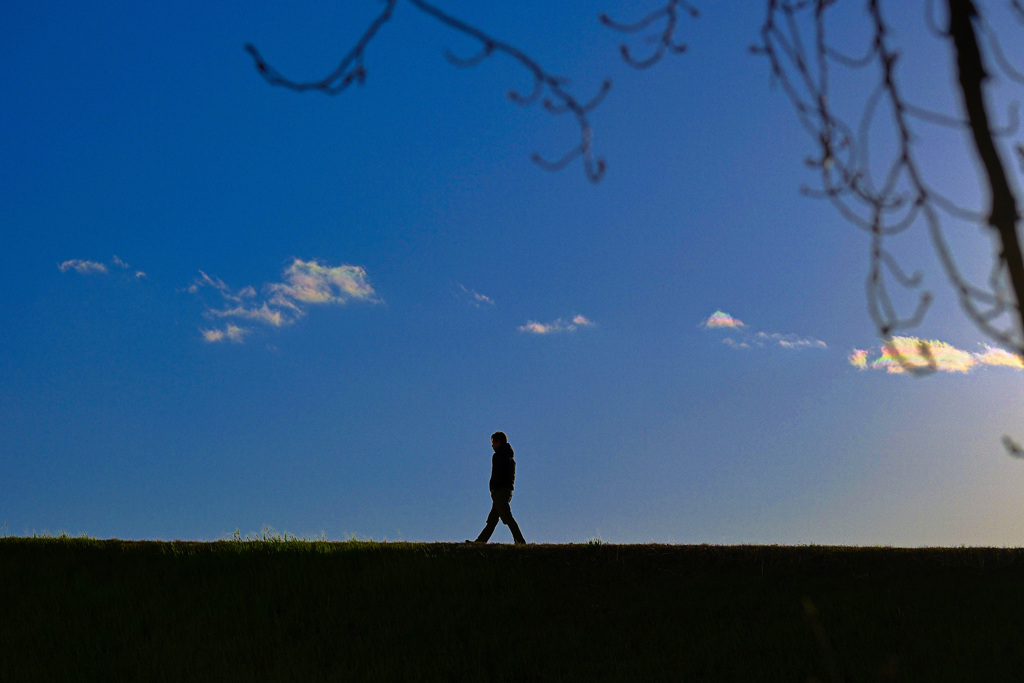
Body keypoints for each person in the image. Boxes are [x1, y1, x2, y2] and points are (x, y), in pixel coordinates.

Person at [467, 431, 526, 544]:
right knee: (492, 520)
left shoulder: (499, 455)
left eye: (493, 442)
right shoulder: (510, 458)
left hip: (500, 491)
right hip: (506, 490)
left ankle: (520, 541)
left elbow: (497, 473)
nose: (492, 445)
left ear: (499, 442)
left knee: (507, 517)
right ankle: (480, 542)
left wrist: (493, 488)